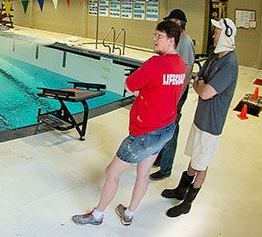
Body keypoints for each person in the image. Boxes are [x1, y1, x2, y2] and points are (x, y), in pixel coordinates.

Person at [72, 20, 186, 226]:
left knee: (111, 173)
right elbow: (166, 90)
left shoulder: (155, 63)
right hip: (166, 129)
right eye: (155, 35)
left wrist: (143, 92)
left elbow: (129, 84)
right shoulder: (180, 63)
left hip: (145, 134)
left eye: (159, 36)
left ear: (171, 41)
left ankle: (97, 215)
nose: (154, 39)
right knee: (143, 173)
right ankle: (129, 214)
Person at [162, 18, 238, 218]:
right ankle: (181, 189)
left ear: (226, 36)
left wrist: (202, 85)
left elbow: (204, 92)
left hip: (212, 125)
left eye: (216, 32)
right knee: (195, 157)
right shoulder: (215, 57)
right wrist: (201, 84)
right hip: (200, 119)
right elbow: (198, 79)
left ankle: (188, 202)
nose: (213, 35)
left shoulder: (230, 64)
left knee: (202, 163)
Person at [151, 9, 195, 180]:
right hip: (170, 93)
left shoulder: (185, 43)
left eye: (170, 22)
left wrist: (176, 99)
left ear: (177, 23)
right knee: (163, 126)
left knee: (171, 129)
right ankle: (160, 158)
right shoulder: (177, 40)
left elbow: (187, 72)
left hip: (177, 95)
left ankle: (166, 168)